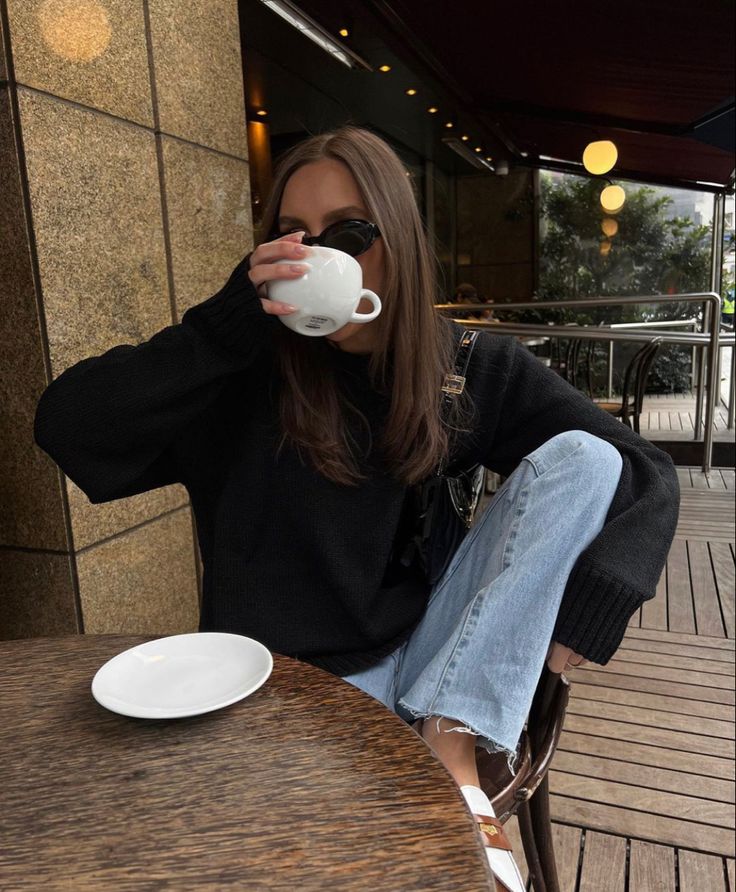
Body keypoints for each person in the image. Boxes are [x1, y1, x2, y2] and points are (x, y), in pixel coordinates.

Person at [34, 126, 679, 891]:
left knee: (587, 457)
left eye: (350, 233)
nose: (317, 256)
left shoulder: (460, 367)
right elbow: (68, 427)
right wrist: (225, 323)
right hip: (283, 686)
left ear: (395, 245)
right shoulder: (239, 376)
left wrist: (604, 591)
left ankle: (450, 744)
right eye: (291, 237)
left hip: (436, 651)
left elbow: (639, 466)